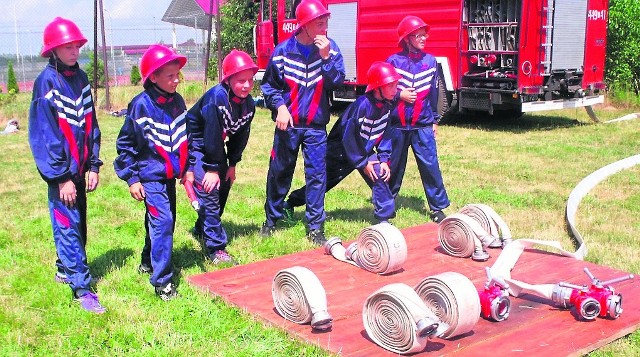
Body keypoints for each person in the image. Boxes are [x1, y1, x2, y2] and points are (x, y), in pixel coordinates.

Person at [28, 17, 105, 313]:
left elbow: (91, 124)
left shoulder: (81, 78)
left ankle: (64, 268)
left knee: (78, 226)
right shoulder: (45, 83)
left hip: (80, 169)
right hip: (62, 175)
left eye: (76, 45)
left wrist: (93, 165)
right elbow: (45, 135)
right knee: (68, 226)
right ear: (53, 50)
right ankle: (81, 289)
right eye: (67, 46)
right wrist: (61, 177)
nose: (74, 51)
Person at [260, 0, 345, 245]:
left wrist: (327, 57)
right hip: (289, 126)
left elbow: (336, 81)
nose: (324, 26)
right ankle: (271, 220)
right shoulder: (283, 51)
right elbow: (269, 86)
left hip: (316, 127)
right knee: (280, 172)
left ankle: (315, 227)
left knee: (317, 176)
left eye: (326, 21)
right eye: (320, 22)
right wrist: (280, 107)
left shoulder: (331, 49)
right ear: (305, 25)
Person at [114, 45, 188, 301]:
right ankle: (162, 283)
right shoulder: (140, 105)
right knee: (163, 222)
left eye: (177, 74)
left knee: (163, 222)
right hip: (150, 177)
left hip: (169, 176)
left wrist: (185, 167)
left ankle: (148, 260)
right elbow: (125, 144)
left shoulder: (177, 101)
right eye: (169, 75)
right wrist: (132, 178)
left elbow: (181, 137)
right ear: (153, 77)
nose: (176, 80)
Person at [283, 62, 401, 223]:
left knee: (379, 174)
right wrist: (363, 163)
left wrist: (384, 159)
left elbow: (385, 134)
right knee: (323, 184)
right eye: (392, 86)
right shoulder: (361, 106)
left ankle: (383, 219)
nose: (396, 90)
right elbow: (348, 137)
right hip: (341, 152)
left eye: (396, 85)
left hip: (363, 151)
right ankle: (290, 203)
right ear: (378, 87)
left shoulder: (387, 105)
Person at [186, 50, 258, 265]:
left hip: (214, 146)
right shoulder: (217, 98)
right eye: (240, 80)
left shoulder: (249, 105)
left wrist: (232, 164)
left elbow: (239, 137)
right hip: (196, 145)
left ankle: (202, 226)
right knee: (210, 189)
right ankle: (216, 247)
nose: (246, 85)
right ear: (228, 79)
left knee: (224, 184)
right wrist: (211, 169)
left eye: (250, 80)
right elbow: (211, 134)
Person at [386, 15, 450, 223]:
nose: (424, 38)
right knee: (393, 166)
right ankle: (386, 205)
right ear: (407, 38)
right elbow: (383, 90)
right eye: (419, 35)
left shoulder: (430, 62)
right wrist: (399, 95)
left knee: (430, 165)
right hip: (397, 126)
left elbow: (434, 93)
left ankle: (438, 208)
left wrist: (434, 120)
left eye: (425, 35)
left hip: (422, 124)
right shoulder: (393, 62)